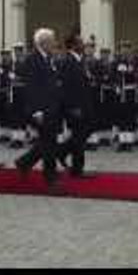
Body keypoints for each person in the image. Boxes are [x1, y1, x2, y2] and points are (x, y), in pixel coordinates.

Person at [15, 28, 65, 186]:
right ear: (43, 43)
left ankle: (24, 162)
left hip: (51, 107)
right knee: (49, 142)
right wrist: (37, 111)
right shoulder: (32, 60)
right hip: (40, 110)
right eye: (52, 40)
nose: (55, 43)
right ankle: (50, 176)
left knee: (47, 141)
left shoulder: (48, 58)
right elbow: (31, 88)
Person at [55, 31, 94, 177]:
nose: (83, 44)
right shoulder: (68, 61)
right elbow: (66, 88)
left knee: (85, 132)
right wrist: (73, 107)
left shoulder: (80, 60)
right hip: (76, 107)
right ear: (72, 45)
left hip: (85, 105)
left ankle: (62, 151)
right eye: (79, 42)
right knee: (79, 137)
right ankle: (78, 170)